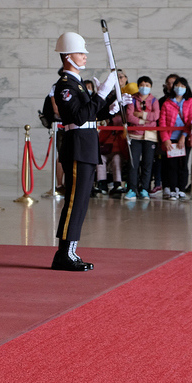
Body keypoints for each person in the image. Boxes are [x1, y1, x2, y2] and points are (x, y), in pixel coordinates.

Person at [51, 31, 121, 272]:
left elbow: (92, 114)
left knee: (81, 202)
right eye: (81, 53)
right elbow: (79, 117)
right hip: (77, 147)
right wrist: (101, 93)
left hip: (87, 146)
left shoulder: (77, 84)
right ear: (68, 57)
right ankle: (64, 254)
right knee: (74, 201)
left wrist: (110, 108)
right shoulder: (64, 86)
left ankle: (69, 251)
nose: (85, 57)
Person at [158, 77, 192, 200]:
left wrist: (184, 136)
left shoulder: (190, 102)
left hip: (184, 138)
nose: (179, 89)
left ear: (186, 88)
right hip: (171, 138)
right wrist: (166, 139)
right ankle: (173, 189)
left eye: (182, 86)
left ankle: (181, 188)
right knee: (172, 165)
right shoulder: (167, 102)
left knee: (183, 164)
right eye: (177, 86)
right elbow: (162, 122)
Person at [124, 76, 160, 201]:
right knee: (133, 163)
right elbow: (129, 117)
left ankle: (145, 189)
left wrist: (141, 115)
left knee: (147, 163)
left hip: (150, 136)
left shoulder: (154, 100)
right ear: (138, 86)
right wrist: (143, 120)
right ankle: (132, 189)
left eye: (147, 85)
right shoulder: (132, 100)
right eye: (142, 84)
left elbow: (156, 116)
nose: (144, 87)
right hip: (135, 135)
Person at [151, 73, 180, 195]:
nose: (170, 85)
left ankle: (176, 186)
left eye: (173, 83)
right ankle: (160, 184)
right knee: (161, 160)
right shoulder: (162, 101)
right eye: (168, 83)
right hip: (163, 136)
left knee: (176, 163)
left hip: (177, 137)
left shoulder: (183, 101)